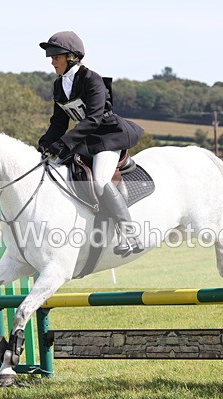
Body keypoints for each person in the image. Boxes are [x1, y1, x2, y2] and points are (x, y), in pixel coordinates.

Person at [37, 31, 145, 257]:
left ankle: (130, 233)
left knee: (100, 180)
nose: (52, 60)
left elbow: (94, 119)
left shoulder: (92, 79)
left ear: (72, 57)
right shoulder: (59, 85)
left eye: (56, 56)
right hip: (85, 139)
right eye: (51, 56)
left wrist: (64, 143)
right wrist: (45, 144)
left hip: (108, 136)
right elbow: (58, 122)